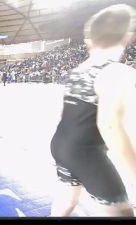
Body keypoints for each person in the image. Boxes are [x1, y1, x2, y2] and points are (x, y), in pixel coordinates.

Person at [50, 4, 136, 216]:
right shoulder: (117, 72)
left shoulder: (79, 69)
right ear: (129, 37)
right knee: (123, 214)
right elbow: (109, 126)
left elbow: (63, 113)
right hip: (86, 153)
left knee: (68, 199)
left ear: (91, 39)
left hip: (60, 144)